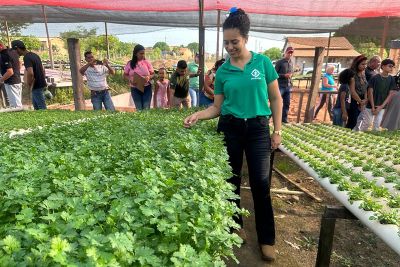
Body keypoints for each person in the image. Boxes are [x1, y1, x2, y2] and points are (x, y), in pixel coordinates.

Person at [183, 8, 282, 262]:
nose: (230, 47)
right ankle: (233, 226)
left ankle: (266, 238)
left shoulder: (263, 63)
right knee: (230, 180)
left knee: (261, 183)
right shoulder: (224, 72)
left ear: (245, 38)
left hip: (259, 128)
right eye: (226, 42)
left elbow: (275, 98)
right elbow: (216, 107)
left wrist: (278, 130)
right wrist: (197, 115)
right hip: (231, 127)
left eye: (234, 42)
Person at [355, 59, 397, 131]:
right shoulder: (374, 77)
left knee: (377, 125)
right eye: (389, 66)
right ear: (383, 66)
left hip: (382, 106)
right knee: (366, 123)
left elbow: (391, 94)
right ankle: (359, 138)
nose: (391, 68)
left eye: (392, 67)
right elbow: (370, 92)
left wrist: (381, 107)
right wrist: (373, 107)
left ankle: (373, 140)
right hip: (370, 105)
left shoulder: (392, 79)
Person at [12, 40, 47, 110]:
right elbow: (43, 69)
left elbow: (30, 73)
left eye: (14, 51)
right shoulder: (34, 55)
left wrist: (29, 84)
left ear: (18, 49)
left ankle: (48, 121)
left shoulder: (27, 58)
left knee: (42, 108)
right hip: (40, 84)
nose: (14, 53)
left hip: (36, 85)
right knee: (37, 107)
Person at [124, 44, 154, 110]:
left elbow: (153, 74)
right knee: (139, 108)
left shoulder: (147, 62)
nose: (143, 55)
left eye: (144, 53)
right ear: (135, 53)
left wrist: (149, 77)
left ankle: (147, 120)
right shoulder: (130, 63)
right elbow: (125, 74)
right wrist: (130, 79)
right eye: (141, 53)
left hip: (147, 88)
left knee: (146, 107)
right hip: (135, 88)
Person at [346, 55, 368, 129]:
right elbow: (352, 91)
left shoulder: (363, 74)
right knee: (352, 121)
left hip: (362, 101)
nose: (364, 66)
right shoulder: (352, 75)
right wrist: (360, 101)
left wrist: (365, 99)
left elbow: (365, 88)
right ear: (357, 64)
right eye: (362, 64)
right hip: (353, 101)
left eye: (365, 64)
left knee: (359, 121)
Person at [0, 42, 22, 108]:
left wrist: (1, 80)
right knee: (17, 103)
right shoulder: (12, 51)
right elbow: (20, 62)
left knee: (16, 107)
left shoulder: (4, 55)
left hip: (11, 83)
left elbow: (10, 72)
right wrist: (16, 71)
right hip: (17, 80)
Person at [275, 46, 294, 123]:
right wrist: (283, 75)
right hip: (280, 86)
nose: (290, 54)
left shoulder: (291, 63)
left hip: (288, 86)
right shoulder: (280, 62)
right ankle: (269, 118)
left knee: (287, 103)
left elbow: (291, 73)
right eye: (289, 52)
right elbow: (274, 74)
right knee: (276, 103)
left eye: (291, 53)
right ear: (285, 52)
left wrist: (290, 76)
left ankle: (284, 119)